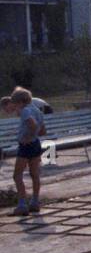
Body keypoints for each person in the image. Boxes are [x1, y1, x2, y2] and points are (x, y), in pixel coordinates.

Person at [7, 88, 44, 216]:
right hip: (36, 144)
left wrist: (28, 136)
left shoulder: (25, 111)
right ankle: (35, 201)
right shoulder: (37, 110)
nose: (15, 106)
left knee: (17, 175)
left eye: (16, 103)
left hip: (26, 146)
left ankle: (22, 204)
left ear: (21, 102)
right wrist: (34, 135)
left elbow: (32, 125)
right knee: (35, 174)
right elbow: (43, 130)